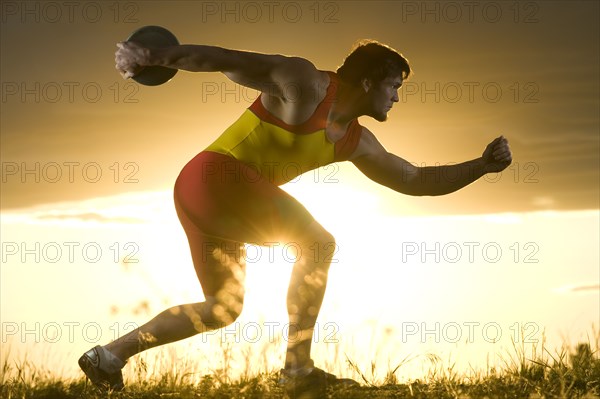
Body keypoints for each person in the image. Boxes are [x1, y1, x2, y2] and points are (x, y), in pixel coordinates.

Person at [79, 38, 512, 398]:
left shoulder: (357, 141)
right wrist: (154, 56)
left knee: (222, 309)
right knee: (317, 243)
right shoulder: (304, 83)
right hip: (215, 176)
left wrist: (481, 166)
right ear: (367, 81)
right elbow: (226, 62)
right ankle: (298, 372)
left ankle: (109, 356)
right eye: (394, 86)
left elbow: (416, 180)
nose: (397, 97)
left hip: (203, 196)